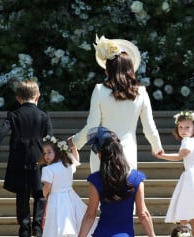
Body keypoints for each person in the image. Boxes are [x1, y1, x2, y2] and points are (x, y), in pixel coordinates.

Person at [69, 126, 165, 237]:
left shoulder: (96, 179)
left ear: (100, 155)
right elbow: (143, 214)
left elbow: (90, 215)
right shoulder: (136, 178)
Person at [67, 35, 163, 172]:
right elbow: (149, 127)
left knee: (100, 192)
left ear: (108, 70)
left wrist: (76, 141)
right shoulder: (141, 92)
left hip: (101, 153)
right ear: (130, 68)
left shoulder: (99, 90)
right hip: (127, 153)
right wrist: (157, 147)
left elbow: (92, 126)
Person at [0, 79, 53, 237]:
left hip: (19, 159)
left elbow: (1, 131)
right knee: (40, 193)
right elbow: (50, 139)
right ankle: (38, 227)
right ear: (37, 96)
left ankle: (24, 230)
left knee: (22, 195)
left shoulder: (14, 115)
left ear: (18, 98)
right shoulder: (44, 116)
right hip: (40, 159)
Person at [154, 110, 194, 237]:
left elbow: (180, 156)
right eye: (180, 127)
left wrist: (161, 155)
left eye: (187, 127)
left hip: (193, 176)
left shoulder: (188, 141)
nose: (183, 130)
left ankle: (185, 228)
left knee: (185, 203)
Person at [40, 135, 95, 237]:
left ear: (57, 152)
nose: (46, 156)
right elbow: (76, 159)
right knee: (63, 229)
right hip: (69, 199)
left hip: (55, 199)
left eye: (49, 152)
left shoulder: (48, 170)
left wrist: (46, 195)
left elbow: (47, 186)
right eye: (44, 153)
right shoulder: (68, 163)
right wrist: (73, 148)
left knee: (52, 228)